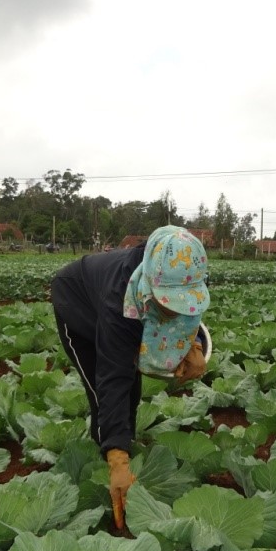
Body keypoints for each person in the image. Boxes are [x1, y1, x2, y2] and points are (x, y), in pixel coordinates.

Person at [50, 225, 210, 529]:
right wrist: (118, 460)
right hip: (78, 303)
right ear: (149, 287)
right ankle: (109, 458)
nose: (174, 307)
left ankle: (122, 441)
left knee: (133, 392)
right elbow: (113, 376)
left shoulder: (186, 265)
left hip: (115, 302)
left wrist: (195, 343)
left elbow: (190, 313)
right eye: (167, 301)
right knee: (104, 390)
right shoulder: (119, 300)